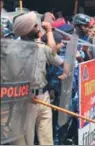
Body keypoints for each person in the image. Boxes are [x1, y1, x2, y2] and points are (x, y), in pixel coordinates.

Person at [12, 11, 68, 145]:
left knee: (47, 140)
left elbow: (60, 59)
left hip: (44, 98)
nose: (39, 27)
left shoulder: (42, 48)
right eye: (35, 26)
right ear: (26, 31)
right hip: (24, 102)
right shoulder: (12, 52)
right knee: (26, 141)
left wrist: (66, 71)